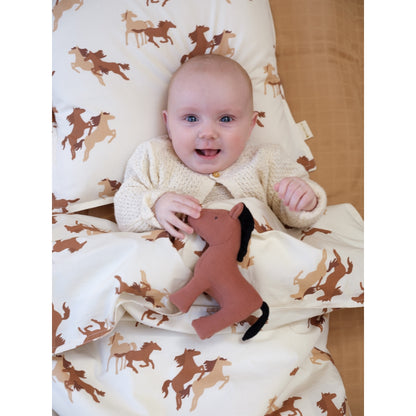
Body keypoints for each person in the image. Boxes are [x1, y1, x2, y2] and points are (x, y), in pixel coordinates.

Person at [114, 54, 326, 239]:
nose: (207, 133)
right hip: (181, 263)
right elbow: (124, 206)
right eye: (191, 118)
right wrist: (156, 206)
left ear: (250, 125)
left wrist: (303, 200)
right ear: (168, 124)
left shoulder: (266, 160)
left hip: (254, 259)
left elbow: (293, 215)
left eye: (225, 119)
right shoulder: (154, 157)